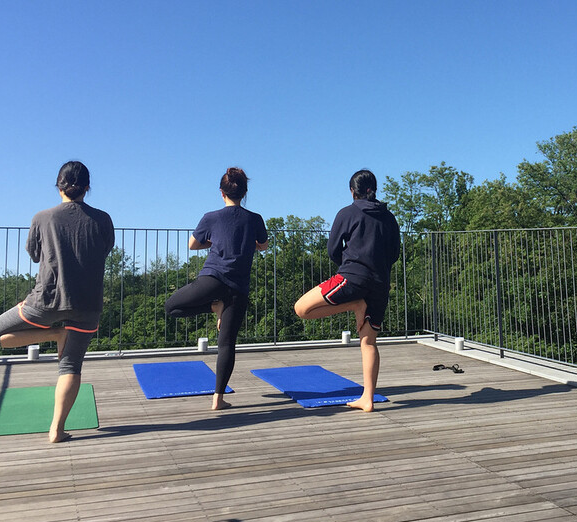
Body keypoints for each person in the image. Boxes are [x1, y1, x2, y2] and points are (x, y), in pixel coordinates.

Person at [0, 161, 115, 443]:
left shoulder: (42, 218)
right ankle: (56, 430)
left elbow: (34, 254)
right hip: (87, 304)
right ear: (88, 188)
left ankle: (56, 333)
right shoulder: (103, 219)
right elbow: (103, 251)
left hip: (45, 301)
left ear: (59, 187)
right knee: (70, 367)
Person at [294, 169, 401, 412]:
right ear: (374, 189)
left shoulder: (347, 213)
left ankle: (354, 303)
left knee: (301, 309)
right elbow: (394, 254)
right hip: (380, 283)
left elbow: (333, 249)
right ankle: (368, 399)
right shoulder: (390, 218)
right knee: (369, 342)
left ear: (352, 191)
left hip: (351, 278)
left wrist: (349, 264)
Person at [164, 167, 268, 410]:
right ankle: (218, 400)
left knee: (171, 307)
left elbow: (192, 245)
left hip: (212, 279)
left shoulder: (211, 217)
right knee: (227, 343)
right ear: (245, 192)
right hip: (238, 287)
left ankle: (213, 306)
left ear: (222, 193)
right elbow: (262, 246)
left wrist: (216, 241)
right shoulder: (255, 219)